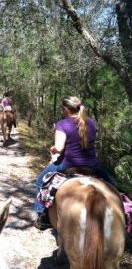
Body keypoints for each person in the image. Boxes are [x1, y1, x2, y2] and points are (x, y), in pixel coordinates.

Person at [32, 96, 115, 229]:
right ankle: (122, 215)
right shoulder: (92, 122)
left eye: (62, 108)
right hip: (92, 165)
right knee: (113, 187)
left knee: (40, 180)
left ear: (65, 109)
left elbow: (59, 148)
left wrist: (52, 148)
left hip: (67, 164)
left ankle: (43, 216)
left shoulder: (62, 124)